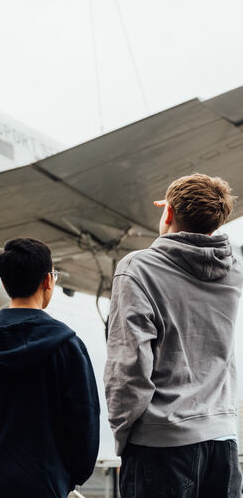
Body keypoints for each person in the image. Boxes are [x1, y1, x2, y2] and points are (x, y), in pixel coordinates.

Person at [104, 173, 243, 497]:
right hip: (223, 442)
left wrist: (124, 436)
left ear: (167, 212)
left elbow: (129, 367)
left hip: (160, 445)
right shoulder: (233, 270)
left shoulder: (138, 269)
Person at [0, 237, 100, 498]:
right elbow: (84, 422)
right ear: (48, 281)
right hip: (45, 485)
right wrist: (68, 478)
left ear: (4, 284)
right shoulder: (68, 347)